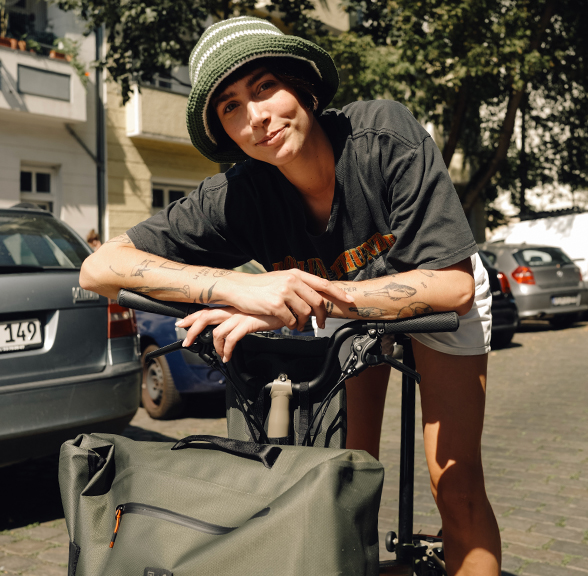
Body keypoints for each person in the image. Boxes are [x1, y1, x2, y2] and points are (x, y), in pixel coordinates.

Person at [80, 16, 501, 575]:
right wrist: (240, 288)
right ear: (225, 132)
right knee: (342, 475)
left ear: (301, 86)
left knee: (455, 483)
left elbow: (451, 287)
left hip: (436, 287)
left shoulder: (382, 134)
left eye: (263, 87)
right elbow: (100, 267)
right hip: (349, 311)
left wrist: (303, 301)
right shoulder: (236, 196)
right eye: (230, 107)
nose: (255, 117)